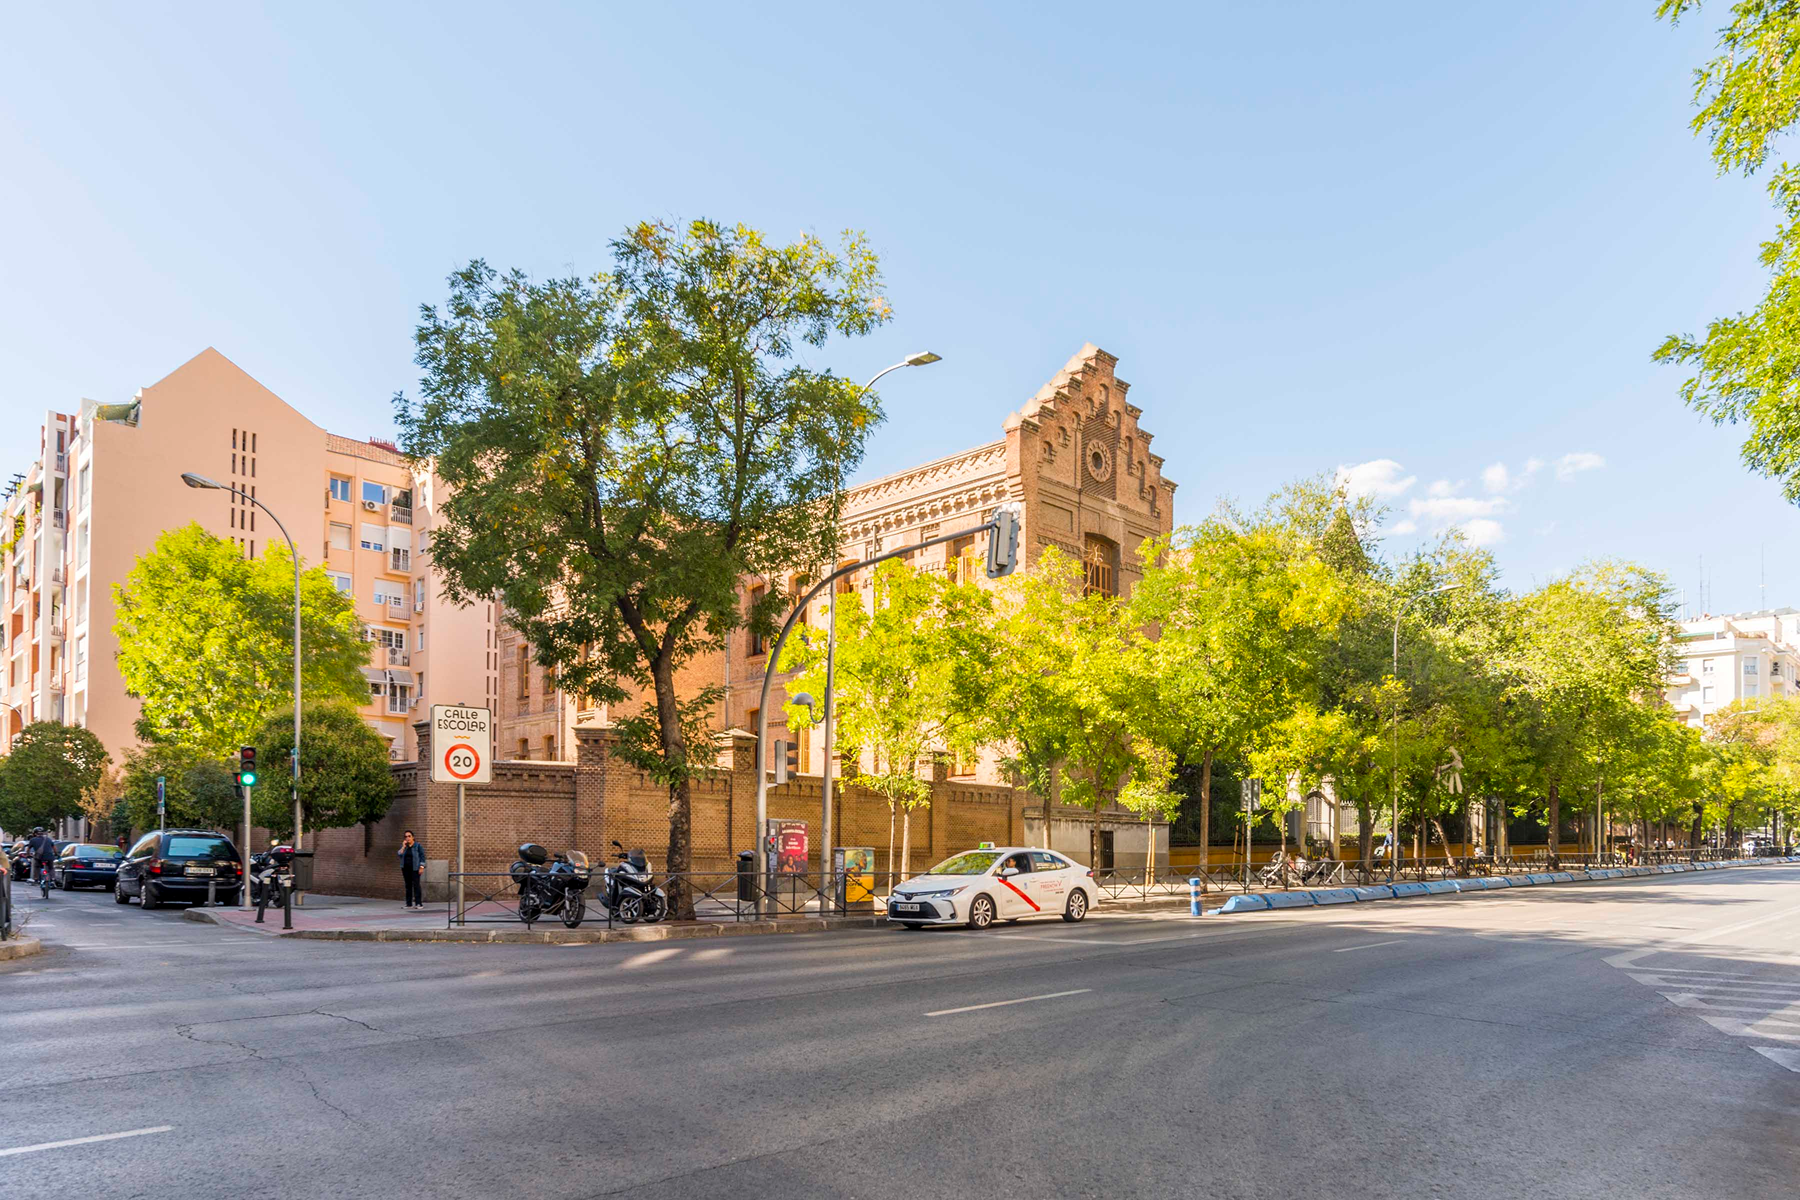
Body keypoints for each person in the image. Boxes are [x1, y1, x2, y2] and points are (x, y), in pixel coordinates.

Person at [398, 830, 425, 910]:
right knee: (408, 885)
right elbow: (399, 854)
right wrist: (403, 846)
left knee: (416, 885)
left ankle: (418, 903)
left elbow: (422, 856)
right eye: (406, 836)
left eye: (409, 836)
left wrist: (421, 867)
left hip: (415, 868)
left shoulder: (417, 846)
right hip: (405, 869)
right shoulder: (404, 847)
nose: (407, 838)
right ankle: (408, 904)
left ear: (413, 837)